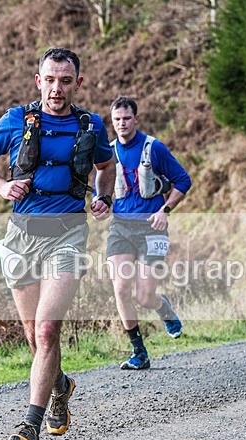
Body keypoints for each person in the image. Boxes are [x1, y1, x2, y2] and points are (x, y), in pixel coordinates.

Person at [0, 48, 115, 440]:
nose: (57, 88)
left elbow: (106, 167)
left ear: (78, 83)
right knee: (34, 334)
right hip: (21, 235)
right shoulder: (17, 120)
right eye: (50, 80)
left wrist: (104, 198)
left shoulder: (91, 124)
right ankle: (61, 384)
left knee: (49, 328)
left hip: (68, 233)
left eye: (65, 81)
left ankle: (29, 426)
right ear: (39, 81)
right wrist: (1, 186)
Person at [104, 96, 192, 370]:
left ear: (136, 119)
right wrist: (99, 200)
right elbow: (101, 187)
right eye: (117, 119)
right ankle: (138, 351)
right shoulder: (107, 153)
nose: (122, 124)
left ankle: (163, 307)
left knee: (144, 296)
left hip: (152, 228)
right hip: (120, 227)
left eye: (127, 118)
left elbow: (183, 180)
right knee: (120, 287)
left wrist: (164, 210)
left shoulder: (154, 148)